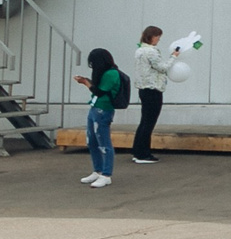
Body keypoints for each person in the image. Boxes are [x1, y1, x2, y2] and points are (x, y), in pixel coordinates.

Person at [70, 48, 129, 188]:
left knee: (104, 142)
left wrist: (85, 82)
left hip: (104, 109)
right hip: (95, 107)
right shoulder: (105, 72)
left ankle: (106, 174)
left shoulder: (111, 74)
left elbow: (100, 91)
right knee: (92, 141)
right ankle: (98, 170)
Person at [129, 27, 171, 164]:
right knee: (149, 122)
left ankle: (138, 151)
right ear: (151, 37)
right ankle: (143, 154)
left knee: (144, 121)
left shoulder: (139, 50)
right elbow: (163, 67)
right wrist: (174, 57)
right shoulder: (151, 52)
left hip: (143, 88)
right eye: (158, 36)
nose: (159, 39)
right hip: (153, 89)